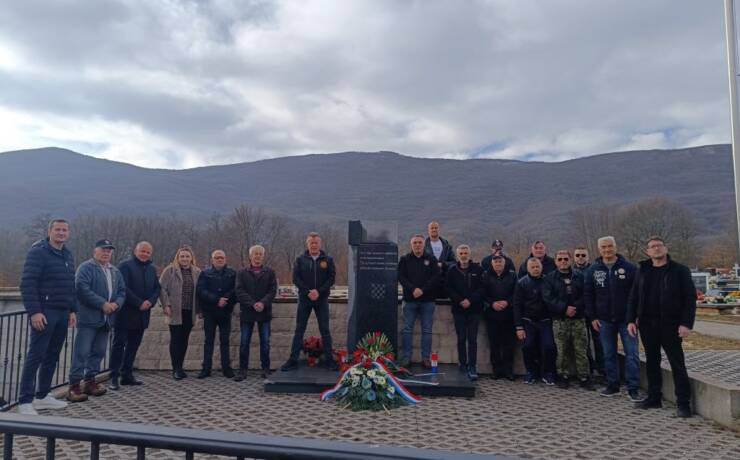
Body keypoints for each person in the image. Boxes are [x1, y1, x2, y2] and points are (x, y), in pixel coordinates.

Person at [627, 236, 697, 418]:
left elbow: (690, 299)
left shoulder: (679, 271)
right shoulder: (642, 271)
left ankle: (683, 403)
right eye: (652, 247)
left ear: (666, 249)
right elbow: (634, 296)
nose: (656, 249)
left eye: (659, 246)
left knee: (677, 363)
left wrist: (686, 324)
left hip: (671, 324)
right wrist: (630, 320)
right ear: (647, 252)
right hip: (647, 324)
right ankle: (654, 398)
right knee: (651, 361)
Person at [17, 219, 77, 415]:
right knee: (36, 355)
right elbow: (27, 283)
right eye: (58, 229)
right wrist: (35, 311)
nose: (61, 233)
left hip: (62, 312)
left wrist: (72, 310)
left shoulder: (67, 254)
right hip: (45, 312)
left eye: (64, 230)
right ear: (49, 231)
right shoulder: (38, 252)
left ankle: (42, 396)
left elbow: (70, 285)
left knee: (52, 355)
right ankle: (25, 400)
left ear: (68, 233)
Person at [583, 236, 642, 401]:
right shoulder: (593, 270)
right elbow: (588, 295)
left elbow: (637, 294)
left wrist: (635, 316)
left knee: (632, 354)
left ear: (615, 247)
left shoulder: (630, 268)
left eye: (610, 246)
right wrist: (593, 317)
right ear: (599, 249)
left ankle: (633, 388)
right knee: (608, 354)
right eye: (603, 247)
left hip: (627, 320)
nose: (607, 250)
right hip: (604, 320)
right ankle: (613, 386)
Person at [68, 239, 126, 402]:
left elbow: (122, 291)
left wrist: (116, 304)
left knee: (99, 352)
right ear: (95, 251)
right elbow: (81, 289)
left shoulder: (114, 271)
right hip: (88, 318)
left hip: (107, 320)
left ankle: (90, 381)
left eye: (109, 250)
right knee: (82, 352)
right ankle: (73, 386)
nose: (106, 253)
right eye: (103, 250)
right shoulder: (86, 268)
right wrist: (102, 304)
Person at [281, 232, 338, 371]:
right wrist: (308, 292)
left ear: (320, 244)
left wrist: (318, 291)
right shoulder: (300, 259)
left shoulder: (328, 260)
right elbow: (296, 279)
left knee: (325, 330)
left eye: (316, 242)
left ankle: (329, 361)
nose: (314, 245)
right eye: (311, 243)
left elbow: (331, 278)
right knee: (299, 330)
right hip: (304, 300)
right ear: (307, 244)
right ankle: (293, 360)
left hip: (322, 299)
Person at [110, 241, 160, 390]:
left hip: (142, 315)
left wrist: (150, 302)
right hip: (125, 314)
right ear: (135, 251)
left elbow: (157, 288)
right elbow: (123, 287)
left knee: (133, 346)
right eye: (142, 251)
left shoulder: (152, 269)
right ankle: (114, 377)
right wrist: (139, 302)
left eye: (147, 252)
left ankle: (127, 375)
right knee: (119, 345)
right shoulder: (125, 266)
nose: (144, 254)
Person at [543, 250, 591, 389]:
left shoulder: (580, 276)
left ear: (570, 260)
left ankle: (584, 377)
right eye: (560, 259)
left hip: (578, 318)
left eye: (565, 258)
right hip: (560, 320)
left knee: (581, 349)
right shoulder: (550, 278)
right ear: (556, 261)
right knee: (561, 350)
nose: (563, 261)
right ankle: (563, 376)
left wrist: (575, 308)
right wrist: (564, 308)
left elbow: (586, 294)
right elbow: (548, 298)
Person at [397, 234, 441, 368]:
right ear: (411, 244)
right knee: (407, 330)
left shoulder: (431, 259)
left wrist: (422, 290)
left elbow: (436, 278)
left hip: (428, 301)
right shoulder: (404, 259)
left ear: (424, 244)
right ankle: (406, 358)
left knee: (427, 330)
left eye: (420, 243)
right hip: (410, 301)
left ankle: (426, 358)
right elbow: (401, 277)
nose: (417, 245)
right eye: (415, 242)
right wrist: (413, 289)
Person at [235, 245, 277, 381]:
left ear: (263, 256)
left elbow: (272, 291)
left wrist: (262, 303)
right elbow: (239, 291)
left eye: (260, 254)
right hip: (247, 312)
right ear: (250, 256)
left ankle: (265, 369)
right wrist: (253, 303)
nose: (257, 256)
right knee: (244, 342)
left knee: (265, 342)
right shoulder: (241, 272)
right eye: (255, 254)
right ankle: (242, 370)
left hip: (264, 312)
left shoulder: (270, 272)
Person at [159, 246, 201, 380]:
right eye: (182, 256)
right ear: (178, 257)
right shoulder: (170, 270)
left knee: (184, 340)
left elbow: (200, 292)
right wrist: (166, 305)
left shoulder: (197, 271)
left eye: (187, 256)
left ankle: (180, 367)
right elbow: (162, 289)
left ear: (191, 258)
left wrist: (200, 310)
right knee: (176, 339)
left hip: (190, 310)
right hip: (175, 310)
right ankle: (175, 369)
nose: (184, 259)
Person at [514, 257, 556, 385]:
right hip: (528, 321)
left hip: (545, 321)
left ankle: (548, 373)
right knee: (528, 347)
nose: (535, 269)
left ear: (541, 267)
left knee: (549, 346)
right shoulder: (522, 283)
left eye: (537, 267)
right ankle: (531, 372)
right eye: (532, 267)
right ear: (528, 269)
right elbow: (517, 305)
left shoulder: (548, 281)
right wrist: (519, 327)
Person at [446, 245, 485, 381]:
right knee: (461, 338)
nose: (463, 255)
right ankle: (462, 364)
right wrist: (460, 300)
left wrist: (470, 300)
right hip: (458, 310)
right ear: (457, 255)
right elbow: (449, 289)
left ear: (469, 254)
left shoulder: (478, 269)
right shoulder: (452, 270)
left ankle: (472, 366)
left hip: (474, 310)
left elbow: (482, 288)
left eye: (466, 253)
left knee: (472, 340)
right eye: (461, 253)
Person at [196, 250, 237, 379]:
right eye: (217, 258)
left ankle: (226, 368)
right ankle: (206, 369)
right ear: (212, 260)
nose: (220, 260)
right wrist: (216, 300)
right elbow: (201, 291)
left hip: (225, 312)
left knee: (225, 341)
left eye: (222, 258)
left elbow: (236, 289)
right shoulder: (205, 273)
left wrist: (225, 298)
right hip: (210, 312)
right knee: (209, 341)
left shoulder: (232, 273)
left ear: (225, 259)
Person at [482, 252, 517, 380]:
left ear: (504, 263)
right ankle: (496, 370)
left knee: (509, 344)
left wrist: (507, 302)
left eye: (500, 262)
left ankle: (508, 371)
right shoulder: (486, 275)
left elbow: (516, 293)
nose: (498, 264)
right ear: (492, 263)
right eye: (495, 262)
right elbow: (483, 294)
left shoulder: (512, 275)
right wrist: (492, 304)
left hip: (508, 314)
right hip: (492, 315)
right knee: (494, 344)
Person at [575, 246, 605, 379]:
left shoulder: (595, 270)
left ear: (588, 257)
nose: (580, 258)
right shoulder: (570, 272)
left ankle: (602, 369)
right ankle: (590, 368)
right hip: (579, 312)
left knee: (599, 341)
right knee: (583, 342)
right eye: (578, 255)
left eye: (583, 255)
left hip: (595, 312)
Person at [424, 221, 456, 298]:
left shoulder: (447, 245)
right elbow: (418, 262)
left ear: (439, 229)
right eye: (432, 228)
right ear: (428, 230)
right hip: (428, 282)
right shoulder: (422, 245)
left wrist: (443, 264)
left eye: (436, 228)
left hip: (444, 282)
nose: (434, 230)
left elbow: (453, 262)